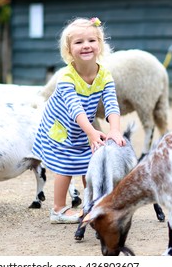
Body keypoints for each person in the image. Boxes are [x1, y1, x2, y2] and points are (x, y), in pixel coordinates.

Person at [32, 17, 125, 224]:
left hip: (83, 128)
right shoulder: (66, 77)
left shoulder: (105, 75)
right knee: (65, 167)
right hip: (61, 128)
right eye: (78, 42)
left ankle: (90, 204)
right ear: (68, 49)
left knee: (89, 163)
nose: (86, 46)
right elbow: (75, 109)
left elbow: (111, 103)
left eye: (91, 40)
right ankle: (58, 209)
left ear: (100, 44)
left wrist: (115, 129)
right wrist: (92, 132)